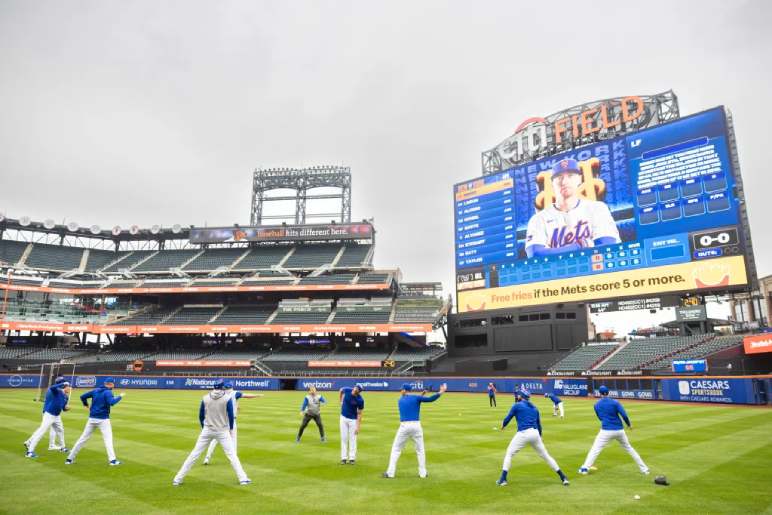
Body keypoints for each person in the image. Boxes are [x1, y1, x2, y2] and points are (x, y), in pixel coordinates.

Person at [525, 158, 620, 258]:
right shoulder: (538, 219)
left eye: (570, 176)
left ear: (579, 178)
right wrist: (579, 246)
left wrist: (552, 252)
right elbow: (535, 255)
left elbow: (607, 246)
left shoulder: (597, 208)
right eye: (559, 177)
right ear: (552, 183)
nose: (564, 182)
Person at [173, 381, 250, 486]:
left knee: (194, 454)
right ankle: (243, 479)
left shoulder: (205, 397)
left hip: (207, 430)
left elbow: (200, 415)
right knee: (232, 455)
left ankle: (178, 479)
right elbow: (231, 416)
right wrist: (231, 429)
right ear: (222, 388)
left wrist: (204, 427)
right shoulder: (227, 398)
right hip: (222, 430)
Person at [496, 390, 569, 487]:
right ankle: (563, 477)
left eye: (519, 396)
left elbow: (508, 418)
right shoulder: (535, 408)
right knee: (546, 456)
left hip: (523, 433)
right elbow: (539, 425)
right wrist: (540, 437)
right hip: (535, 433)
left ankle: (503, 479)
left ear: (521, 397)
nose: (517, 396)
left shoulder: (517, 405)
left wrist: (503, 426)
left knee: (509, 453)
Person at [579, 385, 649, 475]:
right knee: (629, 449)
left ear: (599, 393)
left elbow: (600, 418)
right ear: (608, 392)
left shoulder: (596, 404)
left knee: (595, 449)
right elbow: (624, 415)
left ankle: (585, 468)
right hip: (619, 430)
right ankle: (644, 469)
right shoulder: (615, 402)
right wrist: (629, 425)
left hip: (606, 430)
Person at [383, 382, 447, 479]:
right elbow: (430, 399)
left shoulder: (400, 400)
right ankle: (423, 473)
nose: (400, 391)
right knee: (420, 450)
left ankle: (390, 473)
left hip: (404, 427)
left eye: (402, 389)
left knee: (396, 449)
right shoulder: (416, 398)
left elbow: (413, 401)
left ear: (405, 390)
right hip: (416, 426)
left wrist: (422, 394)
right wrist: (441, 392)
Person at [65, 377, 124, 466]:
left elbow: (82, 397)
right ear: (110, 384)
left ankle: (69, 459)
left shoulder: (96, 390)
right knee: (108, 440)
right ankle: (112, 461)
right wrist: (120, 396)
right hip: (103, 419)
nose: (114, 385)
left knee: (82, 439)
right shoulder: (108, 392)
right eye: (113, 384)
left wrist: (86, 404)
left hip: (92, 418)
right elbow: (112, 402)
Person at [203, 381, 262, 465]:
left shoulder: (221, 394)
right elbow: (247, 396)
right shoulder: (235, 393)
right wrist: (257, 395)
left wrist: (237, 406)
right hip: (231, 420)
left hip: (220, 420)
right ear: (231, 387)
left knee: (215, 440)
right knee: (233, 439)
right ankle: (233, 460)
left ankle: (207, 458)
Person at [24, 377, 71, 458]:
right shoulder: (56, 391)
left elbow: (63, 408)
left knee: (60, 431)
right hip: (49, 415)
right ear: (63, 386)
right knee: (41, 432)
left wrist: (66, 409)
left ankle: (62, 447)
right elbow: (52, 387)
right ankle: (29, 452)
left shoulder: (66, 397)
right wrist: (64, 383)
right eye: (68, 387)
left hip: (57, 416)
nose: (69, 388)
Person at [339, 384, 364, 465]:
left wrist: (358, 426)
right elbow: (340, 390)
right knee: (344, 438)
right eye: (354, 388)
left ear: (358, 392)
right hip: (343, 418)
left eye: (356, 390)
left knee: (353, 439)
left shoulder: (360, 400)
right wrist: (341, 401)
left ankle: (352, 458)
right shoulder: (347, 389)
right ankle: (343, 458)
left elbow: (360, 413)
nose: (354, 390)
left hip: (353, 420)